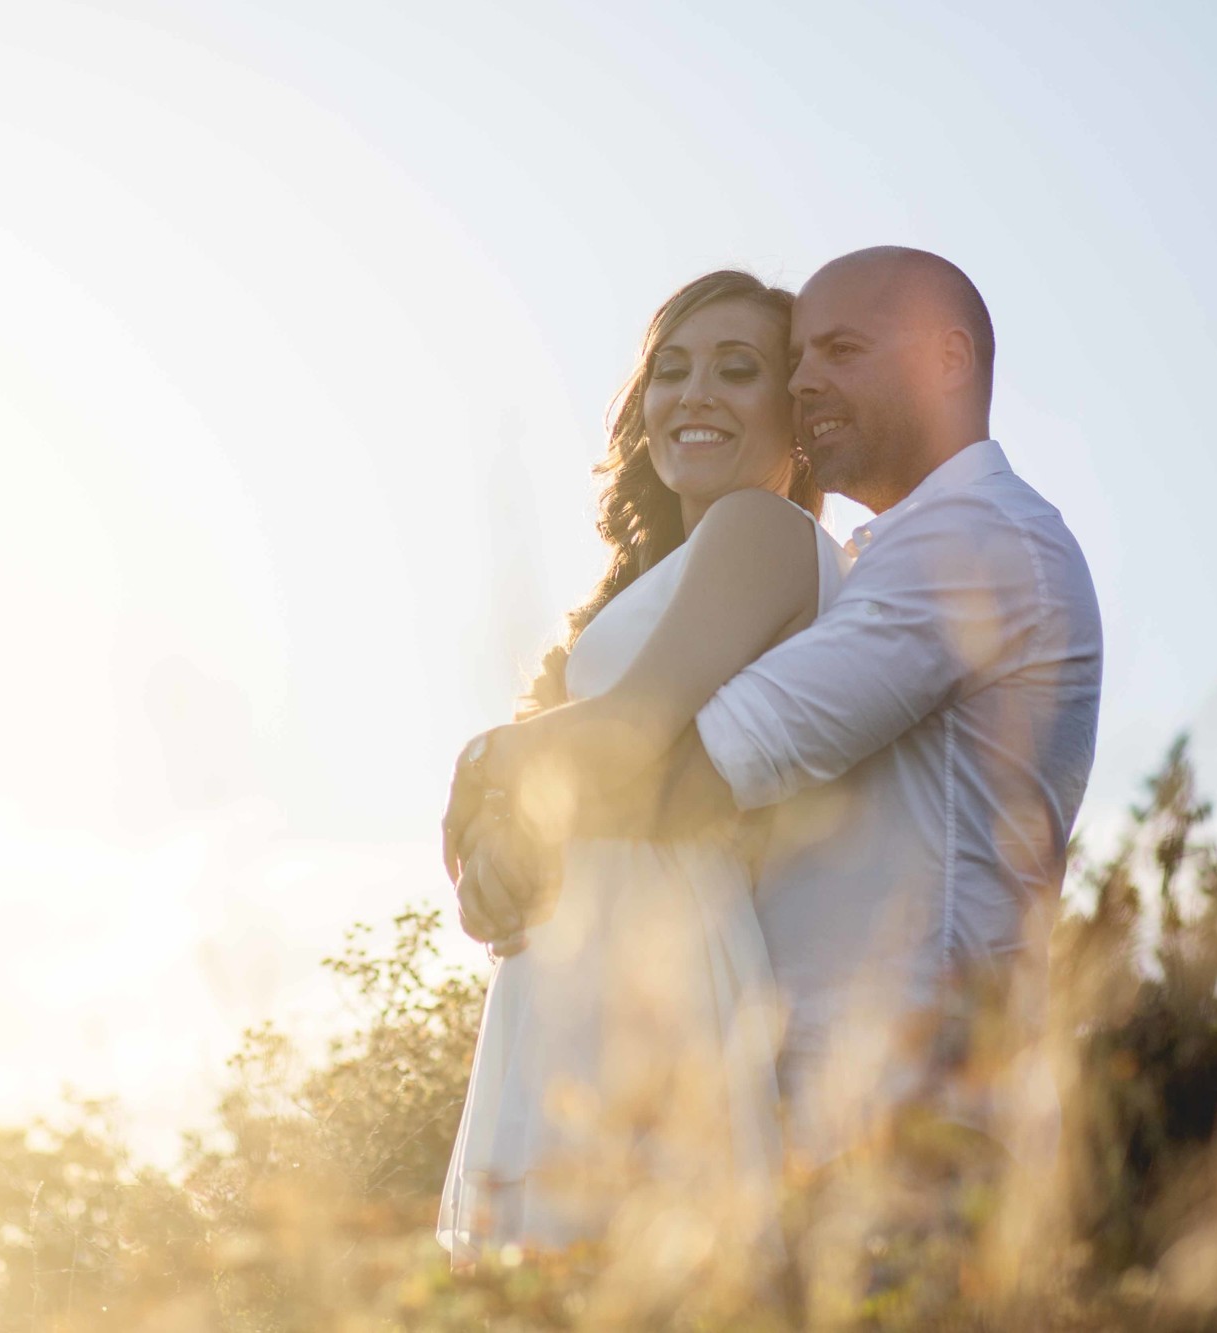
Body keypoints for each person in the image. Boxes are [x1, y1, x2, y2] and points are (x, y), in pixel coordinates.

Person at [448, 246, 1104, 1192]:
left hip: (913, 1108)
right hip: (815, 1102)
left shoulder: (972, 545)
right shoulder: (873, 558)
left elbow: (688, 779)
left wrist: (492, 780)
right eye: (798, 363)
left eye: (837, 352)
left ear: (947, 361)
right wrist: (510, 835)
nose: (807, 384)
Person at [436, 270, 851, 1265]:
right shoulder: (676, 565)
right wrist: (492, 849)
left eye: (735, 370)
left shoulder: (765, 527)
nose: (692, 394)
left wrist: (478, 758)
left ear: (793, 415)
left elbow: (631, 730)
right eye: (669, 371)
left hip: (650, 945)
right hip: (581, 939)